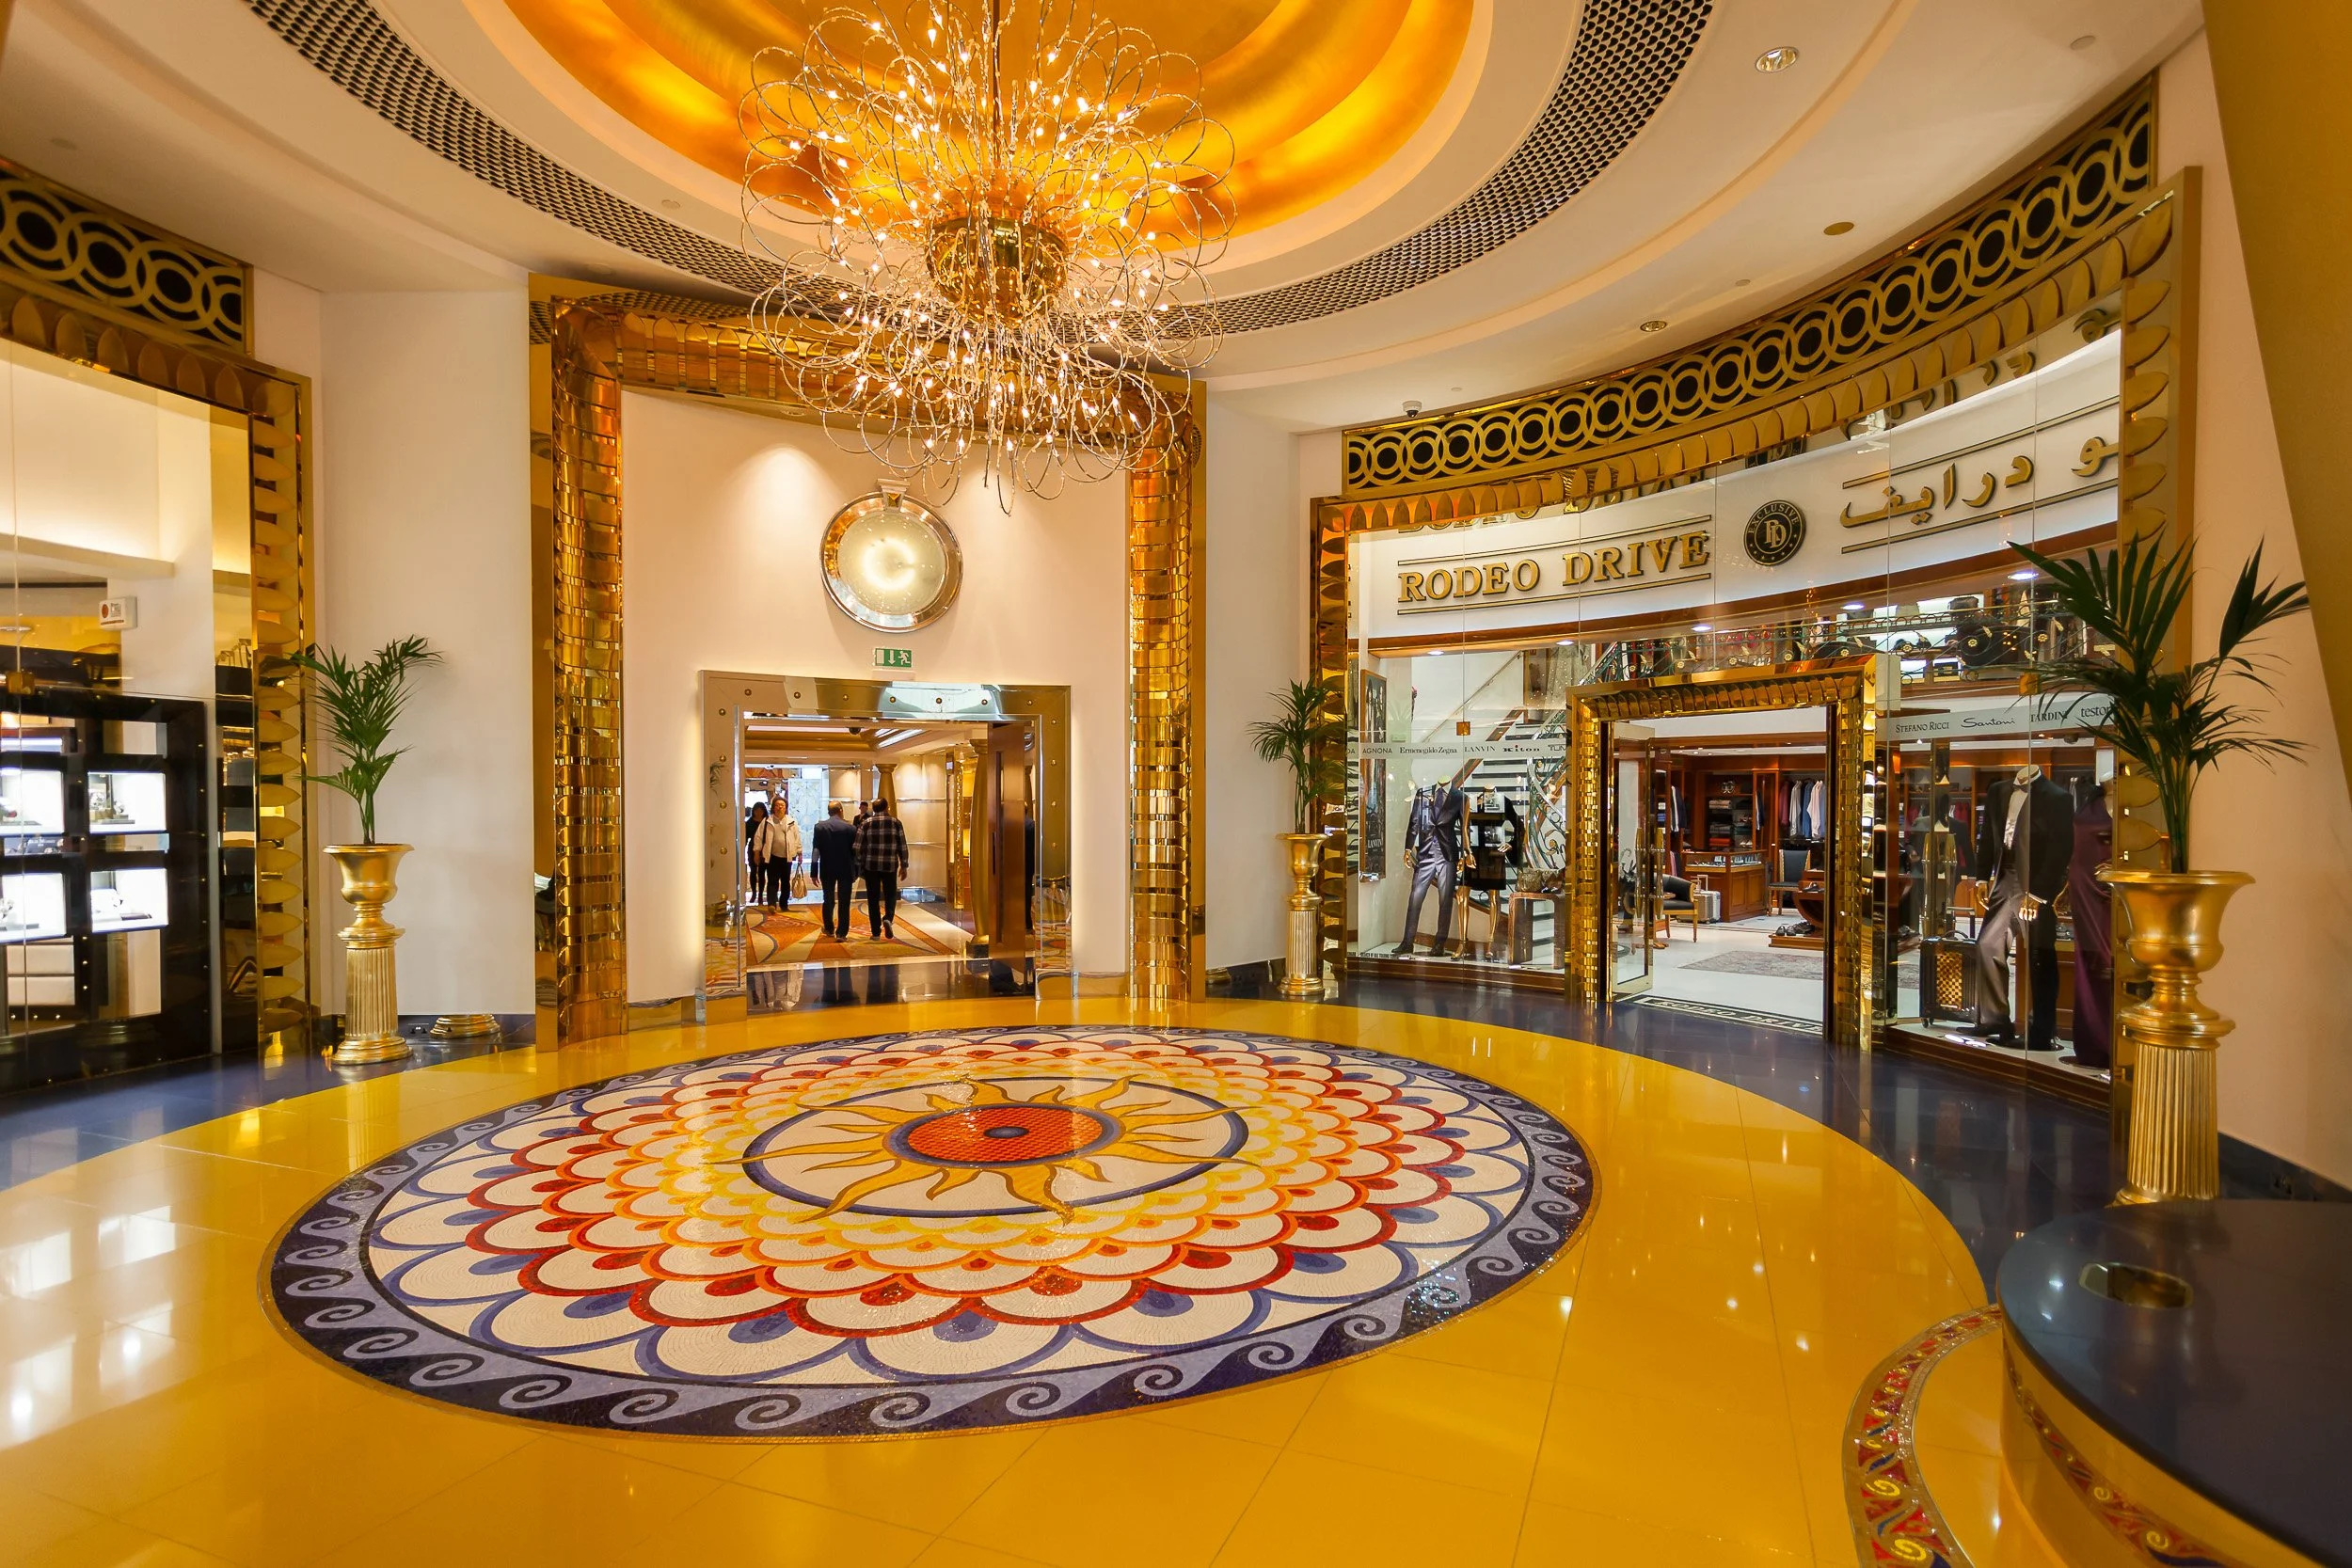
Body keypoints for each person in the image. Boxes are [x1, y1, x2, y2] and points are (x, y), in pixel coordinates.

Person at [854, 796, 910, 940]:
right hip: (890, 865)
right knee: (890, 894)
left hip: (871, 867)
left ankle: (875, 932)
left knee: (873, 898)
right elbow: (902, 846)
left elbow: (857, 847)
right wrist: (904, 865)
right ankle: (888, 918)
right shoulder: (896, 823)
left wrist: (861, 864)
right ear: (886, 808)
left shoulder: (866, 823)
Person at [812, 802, 858, 940]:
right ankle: (842, 933)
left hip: (827, 867)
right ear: (840, 811)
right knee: (844, 900)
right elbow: (855, 852)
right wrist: (856, 870)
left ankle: (829, 928)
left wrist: (814, 871)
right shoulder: (851, 828)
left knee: (828, 898)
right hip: (846, 867)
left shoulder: (819, 827)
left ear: (829, 812)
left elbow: (816, 851)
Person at [745, 801, 771, 907]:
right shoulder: (749, 822)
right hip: (752, 849)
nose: (759, 813)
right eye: (757, 811)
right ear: (754, 811)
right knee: (753, 871)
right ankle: (754, 894)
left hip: (765, 848)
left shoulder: (768, 822)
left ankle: (761, 895)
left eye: (761, 810)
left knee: (762, 872)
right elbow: (745, 837)